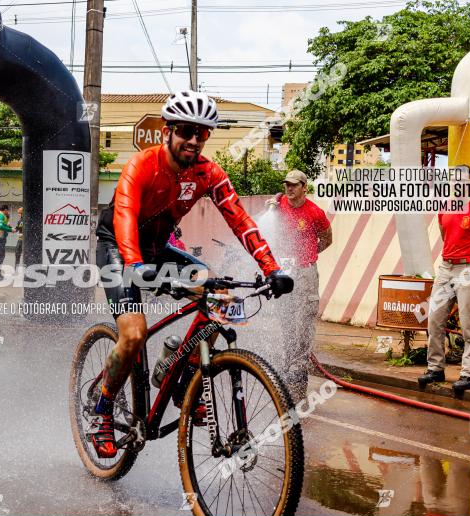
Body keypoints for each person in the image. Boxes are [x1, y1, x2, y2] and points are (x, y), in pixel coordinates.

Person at [90, 90, 293, 458]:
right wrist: (135, 266)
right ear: (168, 130)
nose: (194, 140)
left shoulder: (207, 173)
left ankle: (185, 377)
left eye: (202, 133)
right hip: (119, 246)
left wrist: (272, 268)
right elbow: (123, 217)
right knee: (133, 334)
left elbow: (241, 221)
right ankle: (102, 410)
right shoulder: (142, 165)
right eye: (186, 130)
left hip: (157, 248)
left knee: (217, 292)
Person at [419, 166, 470, 397]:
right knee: (434, 320)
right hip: (446, 267)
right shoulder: (445, 208)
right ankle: (435, 369)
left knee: (469, 326)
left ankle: (468, 375)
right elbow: (447, 237)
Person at [269, 169, 333, 401]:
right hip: (285, 270)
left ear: (304, 187)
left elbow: (327, 238)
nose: (290, 188)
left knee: (304, 319)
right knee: (285, 316)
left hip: (305, 271)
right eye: (287, 184)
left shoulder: (315, 212)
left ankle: (300, 368)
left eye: (295, 185)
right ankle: (288, 361)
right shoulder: (278, 206)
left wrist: (309, 256)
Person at [0, 204, 13, 278]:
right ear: (5, 210)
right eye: (8, 211)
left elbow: (0, 225)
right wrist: (10, 229)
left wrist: (7, 226)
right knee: (0, 256)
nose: (8, 212)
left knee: (0, 255)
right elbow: (0, 226)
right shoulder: (1, 215)